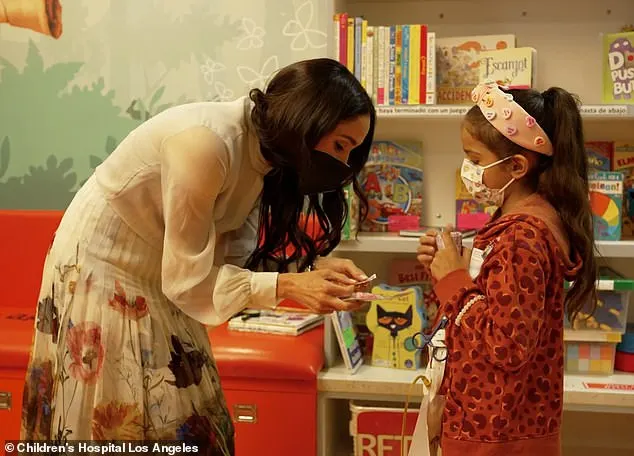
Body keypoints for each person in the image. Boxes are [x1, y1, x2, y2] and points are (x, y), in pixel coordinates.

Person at [21, 58, 375, 453]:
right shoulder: (206, 144)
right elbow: (188, 282)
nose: (342, 165)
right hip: (103, 265)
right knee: (124, 412)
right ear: (309, 118)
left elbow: (232, 257)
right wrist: (290, 284)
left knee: (189, 413)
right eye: (341, 146)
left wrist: (310, 269)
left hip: (163, 271)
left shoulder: (263, 157)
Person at [416, 81, 597, 456]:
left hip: (495, 434)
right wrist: (455, 266)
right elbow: (501, 300)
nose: (467, 170)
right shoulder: (521, 222)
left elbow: (506, 345)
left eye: (476, 160)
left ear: (517, 165)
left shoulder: (522, 236)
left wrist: (453, 280)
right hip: (499, 426)